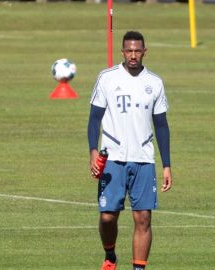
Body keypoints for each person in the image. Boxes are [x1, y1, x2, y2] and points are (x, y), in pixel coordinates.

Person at [87, 31, 172, 270]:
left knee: (143, 218)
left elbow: (162, 125)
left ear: (145, 52)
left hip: (144, 159)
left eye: (137, 51)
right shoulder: (107, 78)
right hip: (112, 158)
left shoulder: (154, 82)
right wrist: (93, 151)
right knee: (107, 216)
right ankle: (110, 254)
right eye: (129, 51)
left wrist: (166, 164)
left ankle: (139, 268)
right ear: (122, 52)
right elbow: (94, 119)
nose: (133, 55)